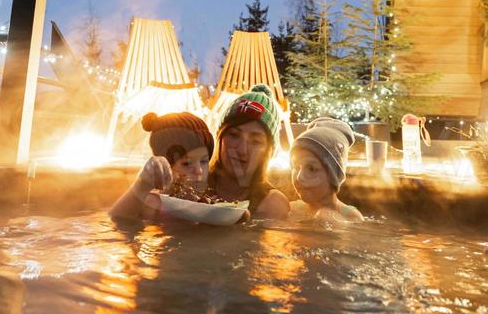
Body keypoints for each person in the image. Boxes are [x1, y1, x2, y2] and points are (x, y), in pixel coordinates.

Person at [109, 111, 215, 220]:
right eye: (186, 163)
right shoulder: (154, 202)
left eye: (203, 161)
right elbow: (118, 218)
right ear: (165, 165)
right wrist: (141, 185)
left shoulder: (203, 201)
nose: (199, 171)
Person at [208, 83, 290, 219]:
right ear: (220, 138)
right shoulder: (192, 186)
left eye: (255, 141)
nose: (242, 150)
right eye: (234, 135)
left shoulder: (272, 205)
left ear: (268, 151)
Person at [288, 117, 363, 222]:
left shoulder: (350, 216)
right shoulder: (290, 209)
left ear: (334, 175)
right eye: (296, 167)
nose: (299, 177)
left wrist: (339, 226)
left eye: (311, 168)